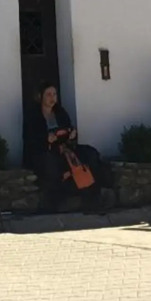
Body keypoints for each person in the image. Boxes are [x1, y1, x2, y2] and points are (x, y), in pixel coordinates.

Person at [25, 84, 115, 213]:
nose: (52, 98)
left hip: (65, 148)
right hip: (44, 151)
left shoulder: (60, 112)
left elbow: (69, 130)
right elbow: (31, 139)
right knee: (52, 163)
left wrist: (72, 134)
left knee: (89, 154)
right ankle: (59, 200)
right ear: (41, 97)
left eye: (54, 94)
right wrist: (46, 139)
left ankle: (95, 194)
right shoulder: (33, 115)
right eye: (49, 95)